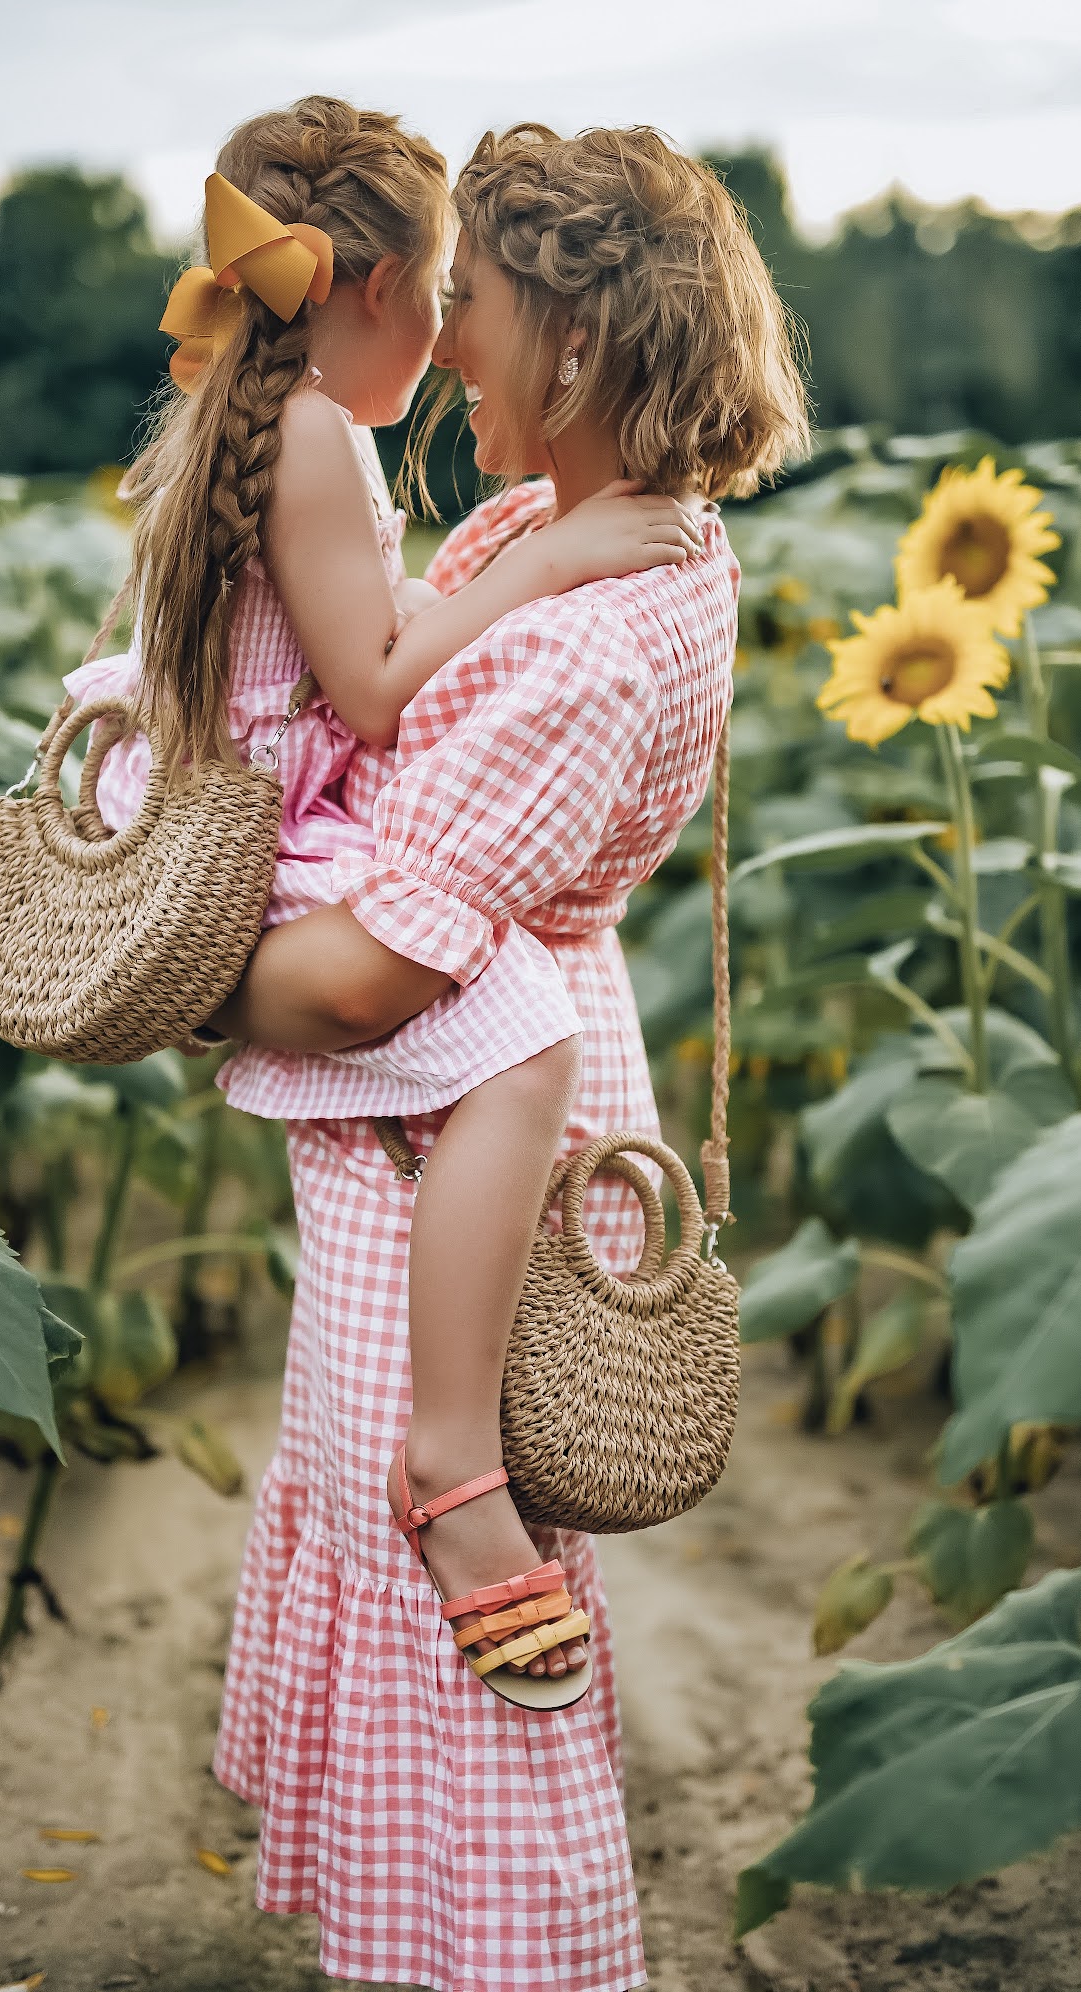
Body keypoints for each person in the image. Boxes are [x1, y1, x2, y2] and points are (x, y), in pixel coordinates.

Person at [211, 121, 809, 1991]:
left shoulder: (589, 641)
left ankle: (478, 1962)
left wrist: (197, 978)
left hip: (455, 1139)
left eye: (478, 303)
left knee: (448, 1637)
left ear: (579, 337)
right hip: (466, 1109)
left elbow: (379, 981)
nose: (449, 333)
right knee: (431, 1626)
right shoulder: (562, 535)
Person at [66, 96, 704, 1709]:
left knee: (510, 1030)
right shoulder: (321, 438)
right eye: (443, 291)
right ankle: (453, 1450)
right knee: (524, 1045)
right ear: (369, 288)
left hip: (265, 812)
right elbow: (369, 689)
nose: (451, 330)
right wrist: (538, 569)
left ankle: (444, 1440)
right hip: (284, 836)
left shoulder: (269, 419)